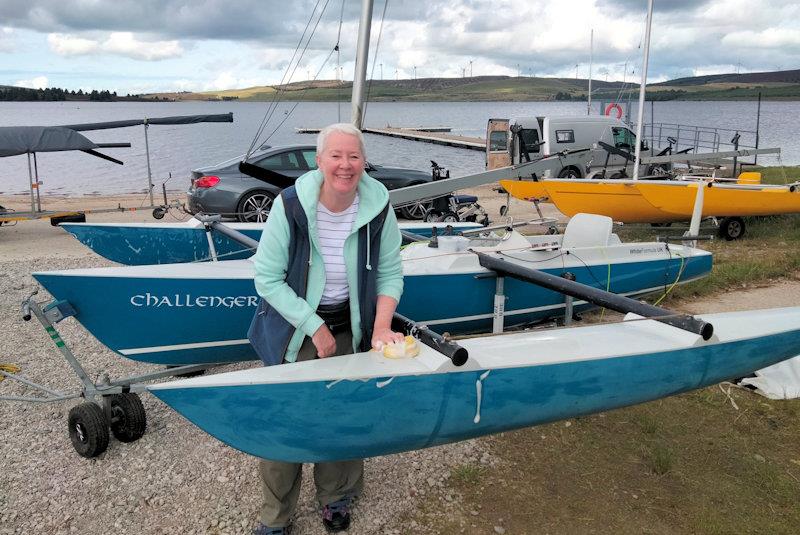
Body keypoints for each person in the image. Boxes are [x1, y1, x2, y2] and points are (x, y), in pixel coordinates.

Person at [249, 123, 405, 534]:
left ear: (363, 162)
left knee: (344, 412)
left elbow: (390, 272)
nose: (345, 165)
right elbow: (266, 278)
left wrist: (381, 328)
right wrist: (313, 325)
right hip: (296, 324)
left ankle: (336, 496)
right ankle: (276, 515)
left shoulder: (378, 205)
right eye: (335, 155)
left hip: (352, 324)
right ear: (319, 161)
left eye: (354, 156)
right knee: (289, 416)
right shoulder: (291, 205)